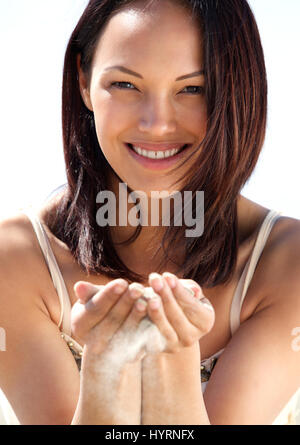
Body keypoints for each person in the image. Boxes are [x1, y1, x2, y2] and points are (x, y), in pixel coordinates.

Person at [0, 0, 299, 425]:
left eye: (192, 89)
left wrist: (174, 357)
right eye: (125, 84)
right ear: (84, 81)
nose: (157, 124)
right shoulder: (14, 258)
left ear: (234, 92)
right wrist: (105, 368)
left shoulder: (286, 262)